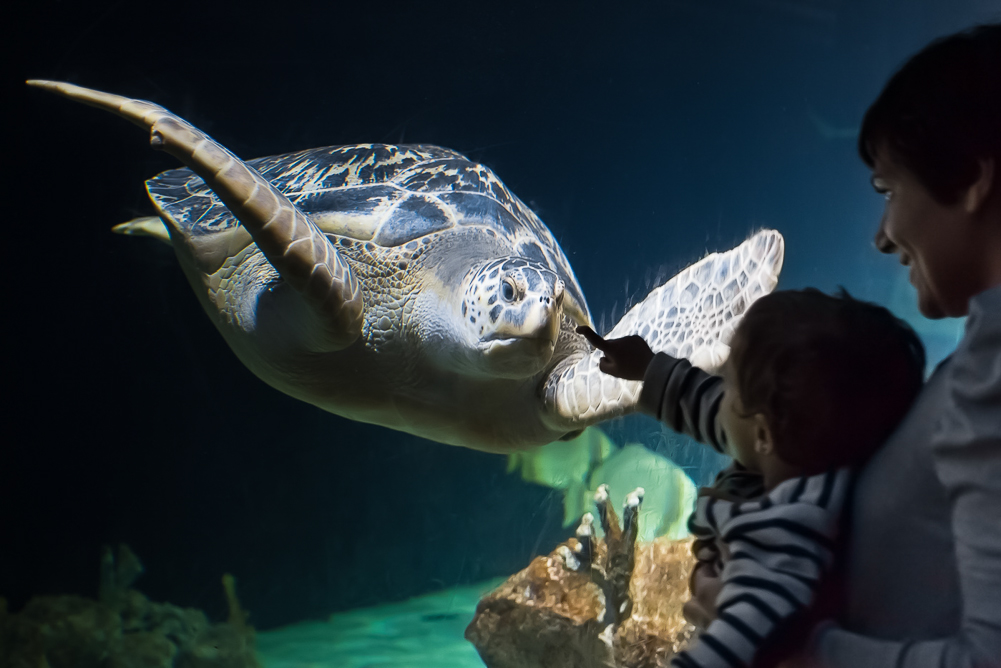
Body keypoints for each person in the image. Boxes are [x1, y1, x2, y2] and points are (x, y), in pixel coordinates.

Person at [592, 23, 1001, 667]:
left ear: (975, 180)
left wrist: (786, 653)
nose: (881, 237)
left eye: (889, 192)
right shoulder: (974, 364)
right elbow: (751, 423)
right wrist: (653, 377)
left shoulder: (991, 382)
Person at [579, 287, 925, 668]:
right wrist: (649, 368)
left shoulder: (785, 532)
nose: (717, 391)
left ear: (762, 434)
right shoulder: (796, 449)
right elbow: (715, 410)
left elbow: (736, 645)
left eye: (727, 383)